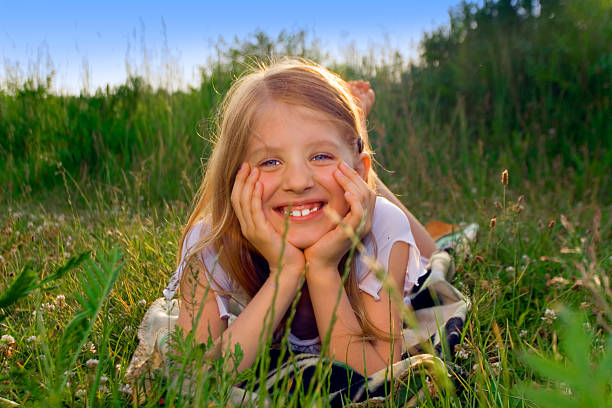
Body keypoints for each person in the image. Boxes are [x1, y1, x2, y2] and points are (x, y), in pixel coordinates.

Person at [162, 58, 438, 378]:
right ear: (233, 176)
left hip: (367, 204)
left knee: (436, 256)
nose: (297, 181)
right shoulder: (210, 244)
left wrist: (322, 270)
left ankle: (359, 154)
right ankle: (344, 146)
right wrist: (285, 272)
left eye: (320, 155)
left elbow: (379, 374)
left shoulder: (383, 228)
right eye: (270, 162)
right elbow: (200, 376)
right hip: (337, 187)